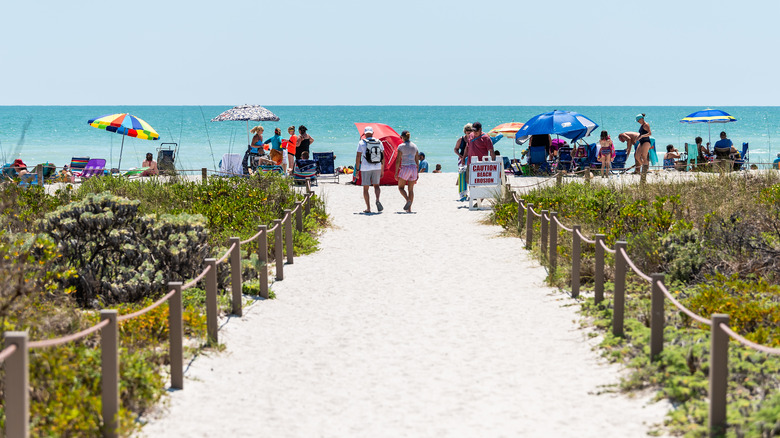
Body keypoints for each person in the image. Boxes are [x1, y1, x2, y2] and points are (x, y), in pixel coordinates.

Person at [355, 126, 385, 213]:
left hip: (365, 167)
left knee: (365, 189)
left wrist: (357, 170)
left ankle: (368, 208)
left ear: (364, 134)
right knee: (376, 186)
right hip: (377, 166)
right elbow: (383, 156)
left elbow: (358, 157)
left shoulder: (361, 143)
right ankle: (377, 200)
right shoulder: (379, 142)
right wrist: (382, 168)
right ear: (373, 133)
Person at [395, 130, 420, 212]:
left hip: (405, 167)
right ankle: (409, 209)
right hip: (413, 168)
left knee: (400, 188)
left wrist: (396, 173)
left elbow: (398, 160)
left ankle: (407, 200)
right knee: (411, 190)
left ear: (402, 137)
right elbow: (417, 160)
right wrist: (417, 172)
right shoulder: (415, 146)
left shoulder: (401, 146)